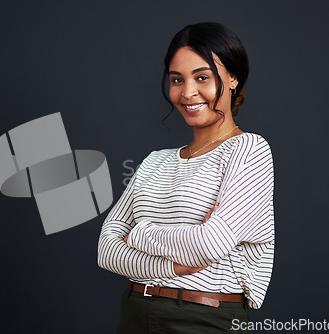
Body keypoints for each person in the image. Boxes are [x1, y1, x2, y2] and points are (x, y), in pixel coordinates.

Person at [97, 22, 274, 334]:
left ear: (232, 78)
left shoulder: (248, 150)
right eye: (177, 79)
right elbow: (107, 249)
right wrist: (174, 265)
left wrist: (138, 235)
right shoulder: (156, 160)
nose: (187, 92)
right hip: (135, 313)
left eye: (202, 77)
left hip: (202, 317)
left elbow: (210, 244)